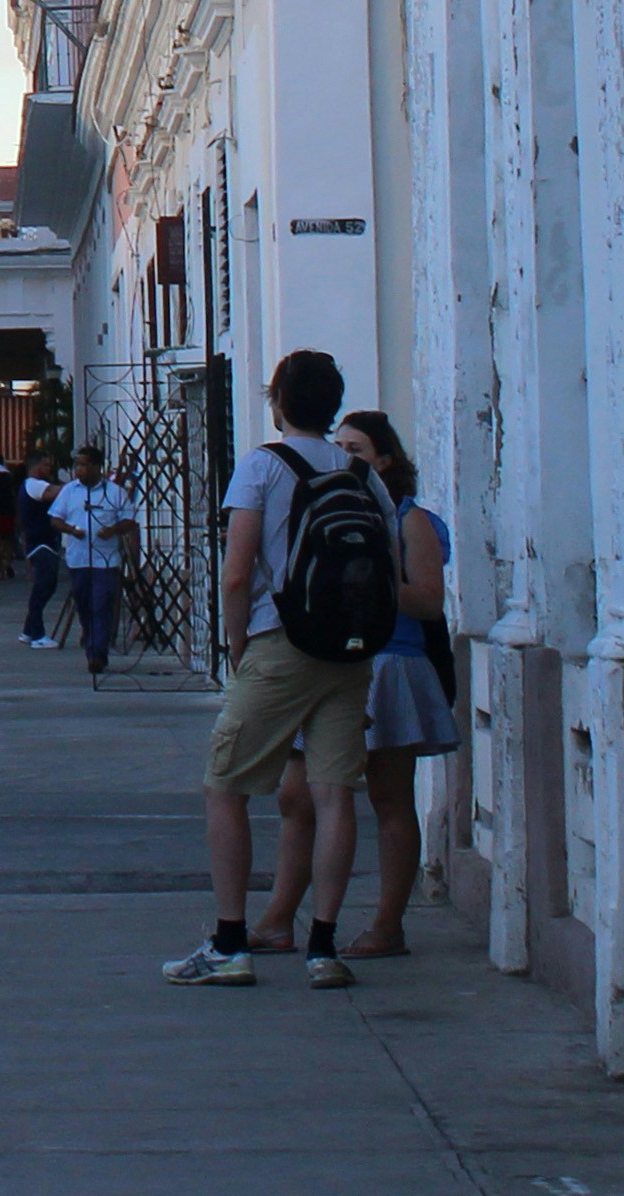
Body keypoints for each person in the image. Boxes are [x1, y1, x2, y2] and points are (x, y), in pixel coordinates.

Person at [167, 352, 385, 989]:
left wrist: (237, 649)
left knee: (225, 785)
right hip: (347, 651)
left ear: (279, 402)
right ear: (334, 403)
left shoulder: (264, 465)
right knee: (334, 792)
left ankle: (231, 938)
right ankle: (323, 945)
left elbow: (237, 573)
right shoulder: (361, 473)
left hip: (278, 641)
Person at [255, 409, 453, 955]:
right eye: (339, 447)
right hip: (326, 663)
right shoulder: (324, 510)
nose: (346, 458)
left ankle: (388, 924)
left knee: (389, 798)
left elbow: (430, 601)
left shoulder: (410, 518)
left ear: (384, 460)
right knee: (297, 796)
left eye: (358, 450)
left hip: (390, 663)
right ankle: (277, 918)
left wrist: (368, 586)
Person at [54, 439, 136, 682]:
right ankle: (91, 640)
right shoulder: (70, 491)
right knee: (84, 604)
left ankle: (97, 653)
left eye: (84, 465)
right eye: (77, 465)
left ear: (97, 467)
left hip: (106, 560)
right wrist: (70, 529)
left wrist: (113, 530)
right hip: (78, 559)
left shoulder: (114, 492)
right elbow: (54, 518)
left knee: (102, 604)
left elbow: (130, 519)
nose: (79, 470)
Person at [15, 449, 69, 644]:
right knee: (42, 586)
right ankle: (37, 634)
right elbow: (51, 493)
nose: (49, 468)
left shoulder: (32, 485)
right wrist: (74, 484)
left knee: (48, 585)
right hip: (40, 543)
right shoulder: (34, 485)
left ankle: (29, 630)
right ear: (36, 466)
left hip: (45, 542)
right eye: (45, 464)